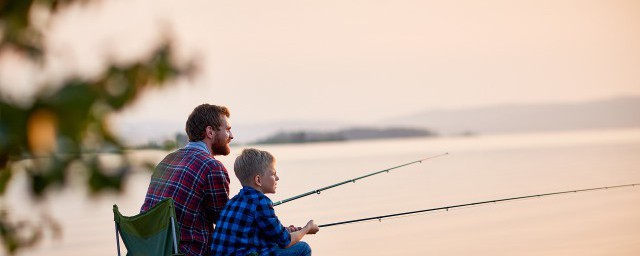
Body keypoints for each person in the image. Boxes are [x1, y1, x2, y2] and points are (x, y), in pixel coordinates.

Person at [140, 104, 234, 256]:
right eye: (228, 129)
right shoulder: (212, 167)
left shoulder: (167, 160)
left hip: (152, 250)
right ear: (210, 132)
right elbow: (226, 222)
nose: (231, 135)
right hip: (187, 252)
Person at [211, 148, 319, 256]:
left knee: (272, 244)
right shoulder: (261, 202)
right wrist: (307, 228)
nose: (277, 178)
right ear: (258, 180)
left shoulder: (233, 201)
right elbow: (286, 242)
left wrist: (287, 230)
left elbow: (259, 232)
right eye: (273, 174)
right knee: (303, 248)